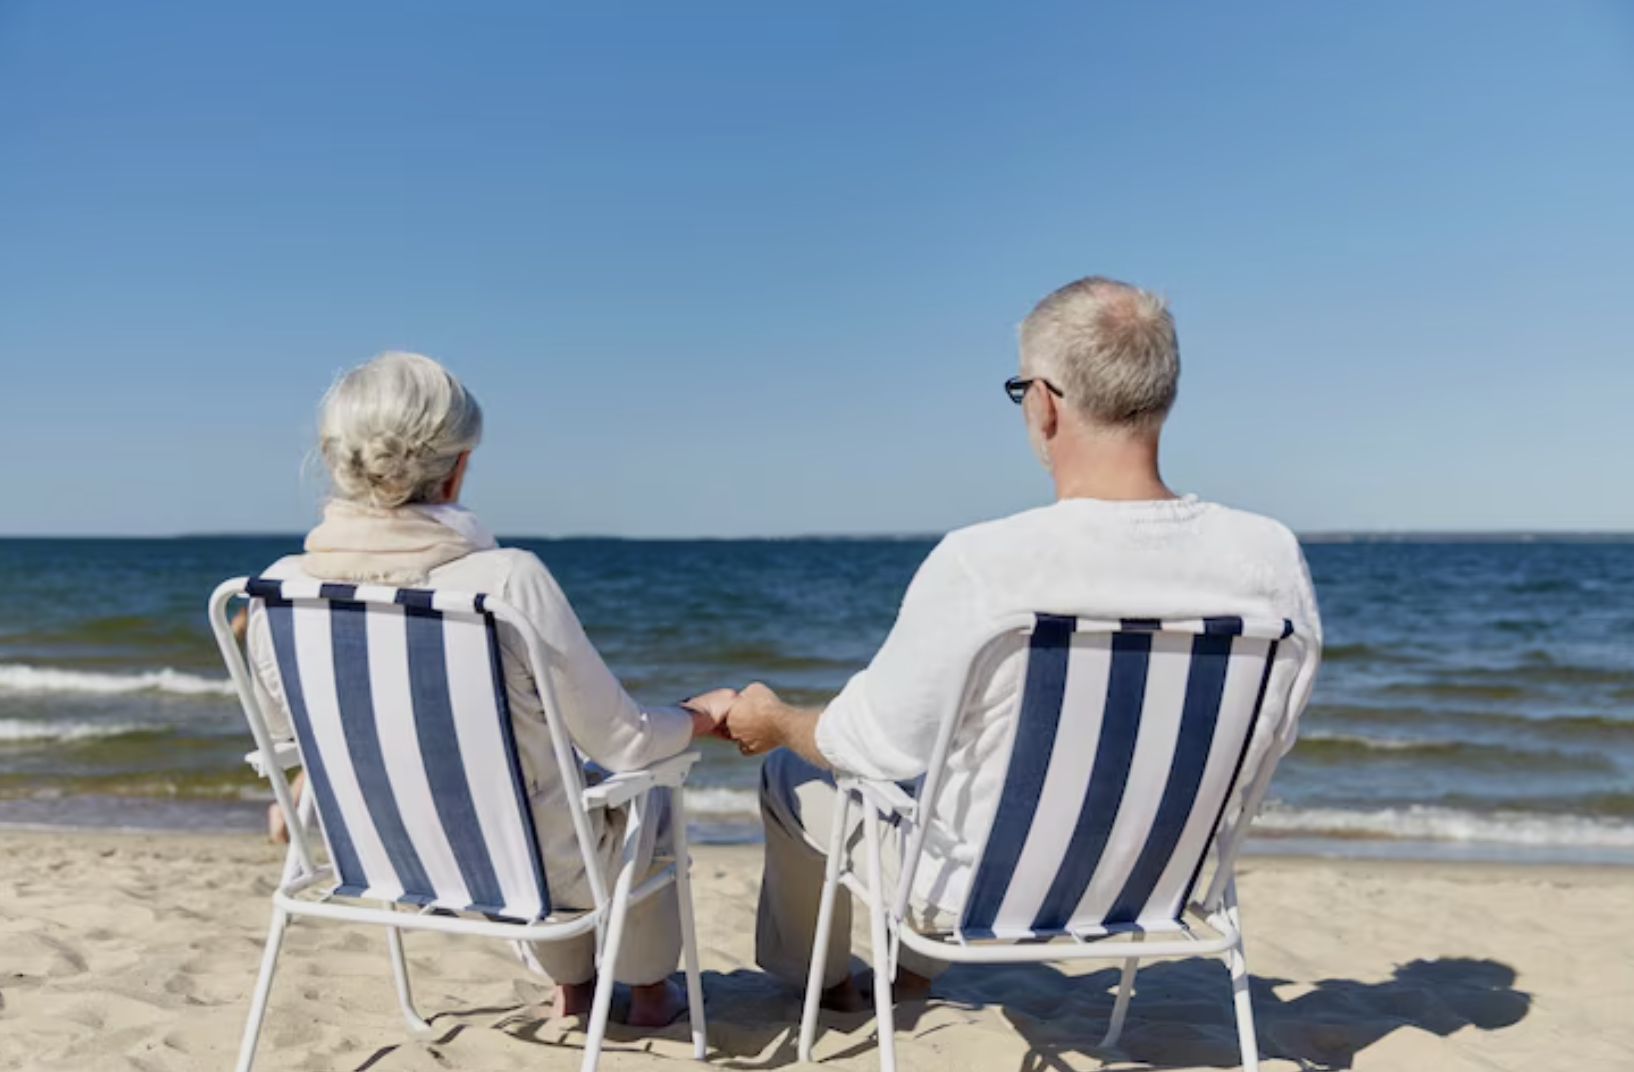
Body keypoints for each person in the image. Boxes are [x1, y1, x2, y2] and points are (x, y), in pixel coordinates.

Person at [720, 276, 1323, 1010]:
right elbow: (1271, 737)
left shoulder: (987, 563)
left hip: (975, 897)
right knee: (964, 759)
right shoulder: (1269, 558)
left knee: (794, 774)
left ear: (1043, 403)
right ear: (1161, 395)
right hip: (1168, 886)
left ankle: (825, 986)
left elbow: (869, 746)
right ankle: (910, 978)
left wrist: (775, 719)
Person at [243, 351, 733, 1027]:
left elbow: (289, 740)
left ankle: (573, 988)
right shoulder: (504, 582)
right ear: (457, 467)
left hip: (382, 862)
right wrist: (701, 713)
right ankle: (650, 992)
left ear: (337, 460)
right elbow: (625, 742)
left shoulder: (276, 591)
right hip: (528, 874)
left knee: (536, 784)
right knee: (652, 784)